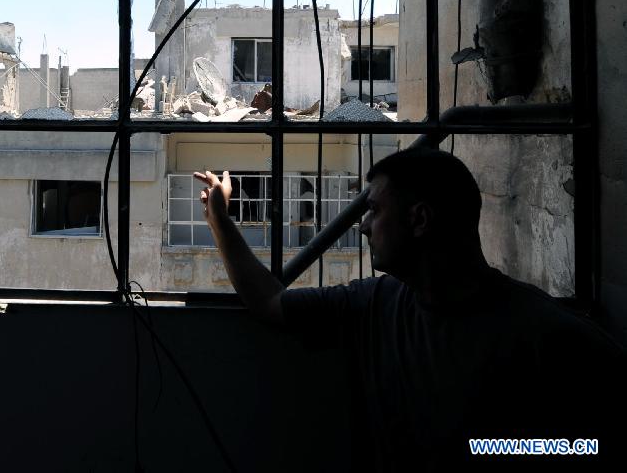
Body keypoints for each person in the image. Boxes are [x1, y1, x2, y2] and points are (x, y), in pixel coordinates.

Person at [194, 147, 625, 471]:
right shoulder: (374, 304)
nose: (362, 224)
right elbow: (270, 302)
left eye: (375, 210)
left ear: (419, 220)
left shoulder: (548, 336)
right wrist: (220, 221)